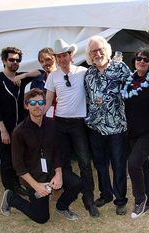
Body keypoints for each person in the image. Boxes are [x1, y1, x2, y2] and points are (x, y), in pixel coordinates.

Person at [0, 88, 81, 222]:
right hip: (33, 176)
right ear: (26, 106)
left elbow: (57, 151)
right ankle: (11, 198)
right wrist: (37, 186)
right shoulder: (19, 132)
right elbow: (18, 166)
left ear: (45, 104)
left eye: (41, 102)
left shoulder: (52, 124)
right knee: (42, 218)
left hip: (51, 170)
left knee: (77, 183)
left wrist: (59, 173)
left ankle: (61, 206)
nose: (37, 106)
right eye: (33, 103)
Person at [44, 39, 99, 217]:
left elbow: (101, 77)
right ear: (57, 58)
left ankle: (88, 198)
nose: (62, 59)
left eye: (65, 55)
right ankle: (68, 193)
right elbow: (47, 102)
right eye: (59, 56)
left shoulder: (83, 72)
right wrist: (36, 118)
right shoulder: (53, 76)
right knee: (62, 161)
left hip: (78, 123)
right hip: (60, 123)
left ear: (71, 55)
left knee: (84, 161)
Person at [84, 35, 130, 215]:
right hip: (95, 126)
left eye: (99, 49)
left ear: (106, 49)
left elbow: (133, 89)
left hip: (117, 126)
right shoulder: (89, 73)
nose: (97, 53)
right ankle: (106, 194)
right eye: (93, 51)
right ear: (89, 54)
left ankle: (120, 200)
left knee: (119, 163)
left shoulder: (120, 68)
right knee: (100, 164)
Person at [0, 47, 41, 196]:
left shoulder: (20, 78)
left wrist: (23, 76)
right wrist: (3, 131)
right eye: (11, 60)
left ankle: (18, 185)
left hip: (20, 128)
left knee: (19, 158)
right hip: (4, 128)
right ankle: (9, 190)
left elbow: (40, 72)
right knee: (7, 161)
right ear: (4, 60)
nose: (15, 62)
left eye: (17, 60)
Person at [122, 48, 149, 219]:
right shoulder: (128, 81)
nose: (142, 62)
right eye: (139, 58)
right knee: (143, 166)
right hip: (133, 132)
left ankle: (140, 199)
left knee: (133, 163)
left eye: (146, 60)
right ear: (134, 61)